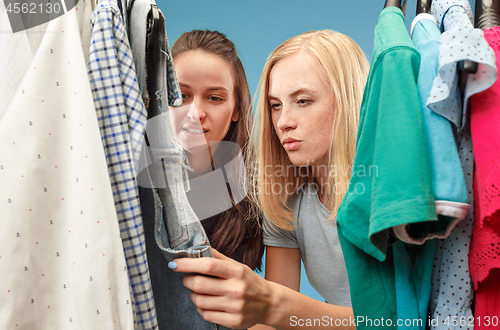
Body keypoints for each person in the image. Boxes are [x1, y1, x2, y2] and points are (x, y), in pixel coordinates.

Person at [168, 29, 370, 329]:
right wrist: (268, 309)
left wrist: (273, 304)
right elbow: (275, 323)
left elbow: (408, 320)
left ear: (349, 99)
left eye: (302, 100)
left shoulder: (393, 192)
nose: (283, 121)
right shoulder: (284, 198)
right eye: (276, 105)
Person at [169, 29, 264, 270]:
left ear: (236, 109)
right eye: (181, 95)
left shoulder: (260, 192)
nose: (195, 113)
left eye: (214, 98)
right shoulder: (130, 181)